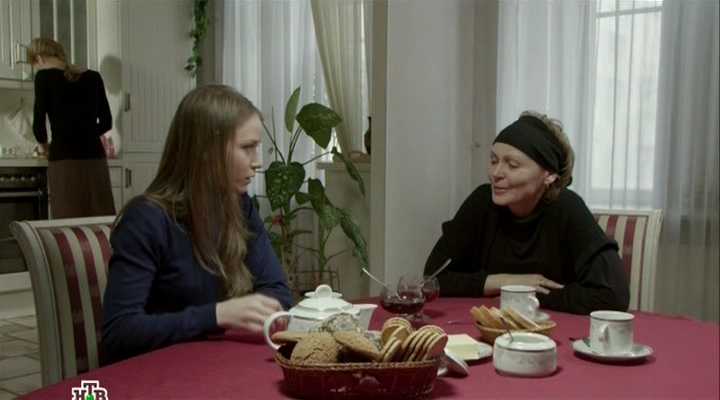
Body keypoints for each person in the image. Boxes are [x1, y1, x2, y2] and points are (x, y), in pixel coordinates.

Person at [101, 85, 293, 364]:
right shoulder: (146, 220)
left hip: (215, 363)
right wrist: (218, 315)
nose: (258, 162)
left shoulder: (240, 205)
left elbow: (277, 290)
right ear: (206, 150)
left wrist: (252, 311)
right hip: (155, 371)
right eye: (247, 148)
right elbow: (119, 333)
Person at [423, 111, 629, 315]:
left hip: (552, 328)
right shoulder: (482, 202)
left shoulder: (567, 208)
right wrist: (504, 282)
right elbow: (432, 279)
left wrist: (528, 294)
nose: (495, 174)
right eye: (493, 161)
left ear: (549, 175)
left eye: (512, 165)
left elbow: (614, 295)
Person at [27, 38, 115, 218]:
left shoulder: (43, 78)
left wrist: (44, 147)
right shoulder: (93, 77)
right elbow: (107, 122)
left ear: (39, 58)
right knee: (100, 223)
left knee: (69, 224)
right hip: (95, 161)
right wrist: (87, 134)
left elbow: (39, 128)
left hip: (65, 161)